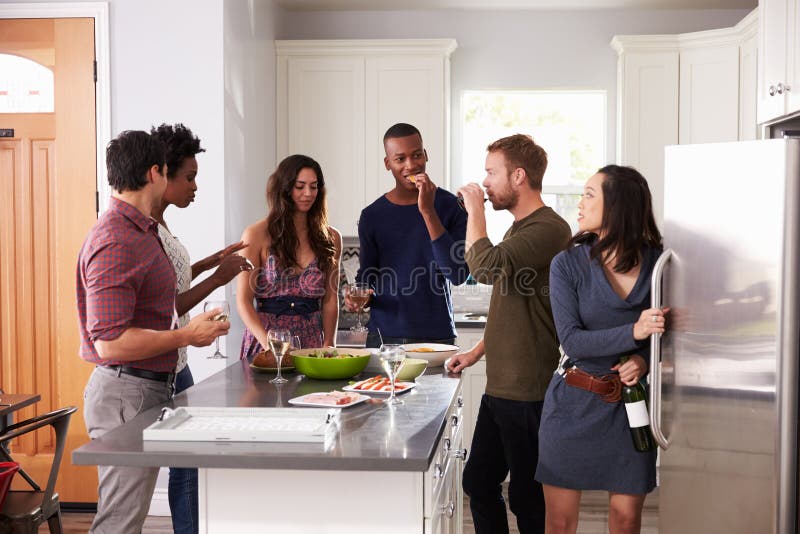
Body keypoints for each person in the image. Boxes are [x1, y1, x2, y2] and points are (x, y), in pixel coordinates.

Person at [77, 130, 229, 533]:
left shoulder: (142, 231)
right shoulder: (116, 239)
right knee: (121, 521)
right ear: (155, 173)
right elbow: (109, 342)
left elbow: (159, 302)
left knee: (131, 515)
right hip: (126, 392)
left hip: (146, 388)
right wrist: (186, 336)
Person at [447, 133, 572, 534]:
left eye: (491, 172)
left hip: (527, 389)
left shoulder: (550, 229)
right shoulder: (520, 230)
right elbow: (513, 306)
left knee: (527, 499)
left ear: (518, 176)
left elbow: (483, 268)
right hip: (502, 385)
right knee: (479, 482)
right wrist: (477, 352)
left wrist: (473, 211)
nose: (484, 183)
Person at [536, 165, 664, 534]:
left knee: (626, 521)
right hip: (572, 405)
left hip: (631, 410)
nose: (580, 203)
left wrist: (643, 360)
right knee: (560, 524)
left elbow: (673, 335)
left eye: (590, 194)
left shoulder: (659, 264)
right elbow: (572, 341)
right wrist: (635, 331)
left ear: (618, 205)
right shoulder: (567, 264)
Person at [150, 123, 252, 534]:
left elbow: (171, 281)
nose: (195, 187)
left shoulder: (160, 225)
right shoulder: (145, 229)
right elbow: (166, 307)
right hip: (162, 366)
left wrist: (211, 262)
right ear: (163, 174)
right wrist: (218, 279)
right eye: (189, 178)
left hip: (179, 365)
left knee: (189, 462)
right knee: (185, 462)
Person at [347, 123, 468, 348]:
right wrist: (359, 299)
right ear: (387, 163)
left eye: (416, 155)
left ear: (426, 154)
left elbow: (458, 273)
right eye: (400, 159)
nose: (411, 165)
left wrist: (428, 211)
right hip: (384, 337)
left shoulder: (452, 206)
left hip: (437, 337)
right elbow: (367, 275)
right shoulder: (372, 215)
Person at [237, 154, 342, 361]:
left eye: (314, 186)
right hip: (265, 343)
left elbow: (330, 299)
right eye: (300, 186)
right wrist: (271, 346)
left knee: (314, 395)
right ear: (284, 189)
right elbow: (243, 301)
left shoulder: (331, 237)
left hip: (311, 344)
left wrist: (329, 343)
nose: (308, 193)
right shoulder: (256, 234)